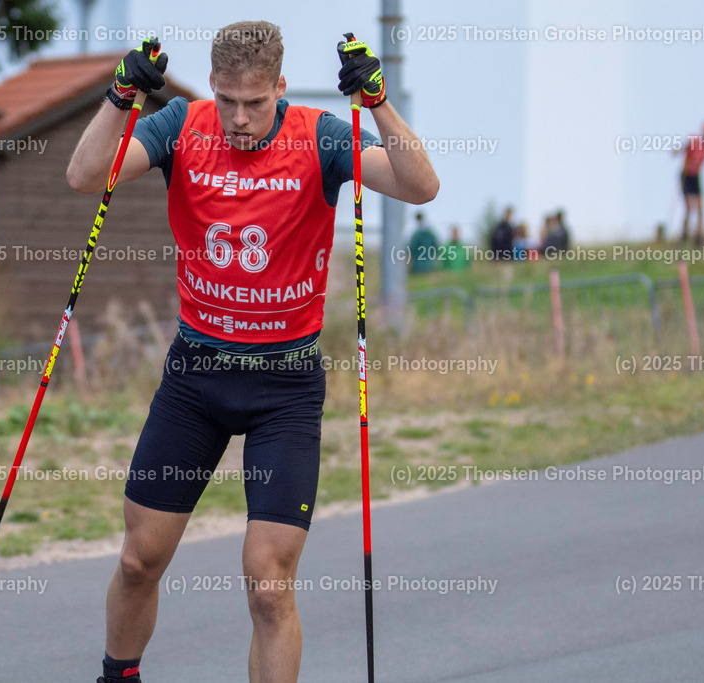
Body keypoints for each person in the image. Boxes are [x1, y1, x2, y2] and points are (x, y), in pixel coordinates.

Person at [67, 22, 438, 683]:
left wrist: (378, 102)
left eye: (256, 103)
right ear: (212, 85)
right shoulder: (182, 125)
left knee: (269, 584)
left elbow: (420, 186)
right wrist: (120, 96)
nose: (239, 119)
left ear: (281, 88)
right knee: (138, 560)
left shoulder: (321, 137)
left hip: (284, 388)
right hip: (197, 379)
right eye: (228, 101)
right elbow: (84, 175)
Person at [676, 123, 704, 244]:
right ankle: (684, 234)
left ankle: (698, 236)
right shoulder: (695, 141)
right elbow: (680, 150)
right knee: (689, 208)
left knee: (700, 207)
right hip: (686, 175)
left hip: (696, 176)